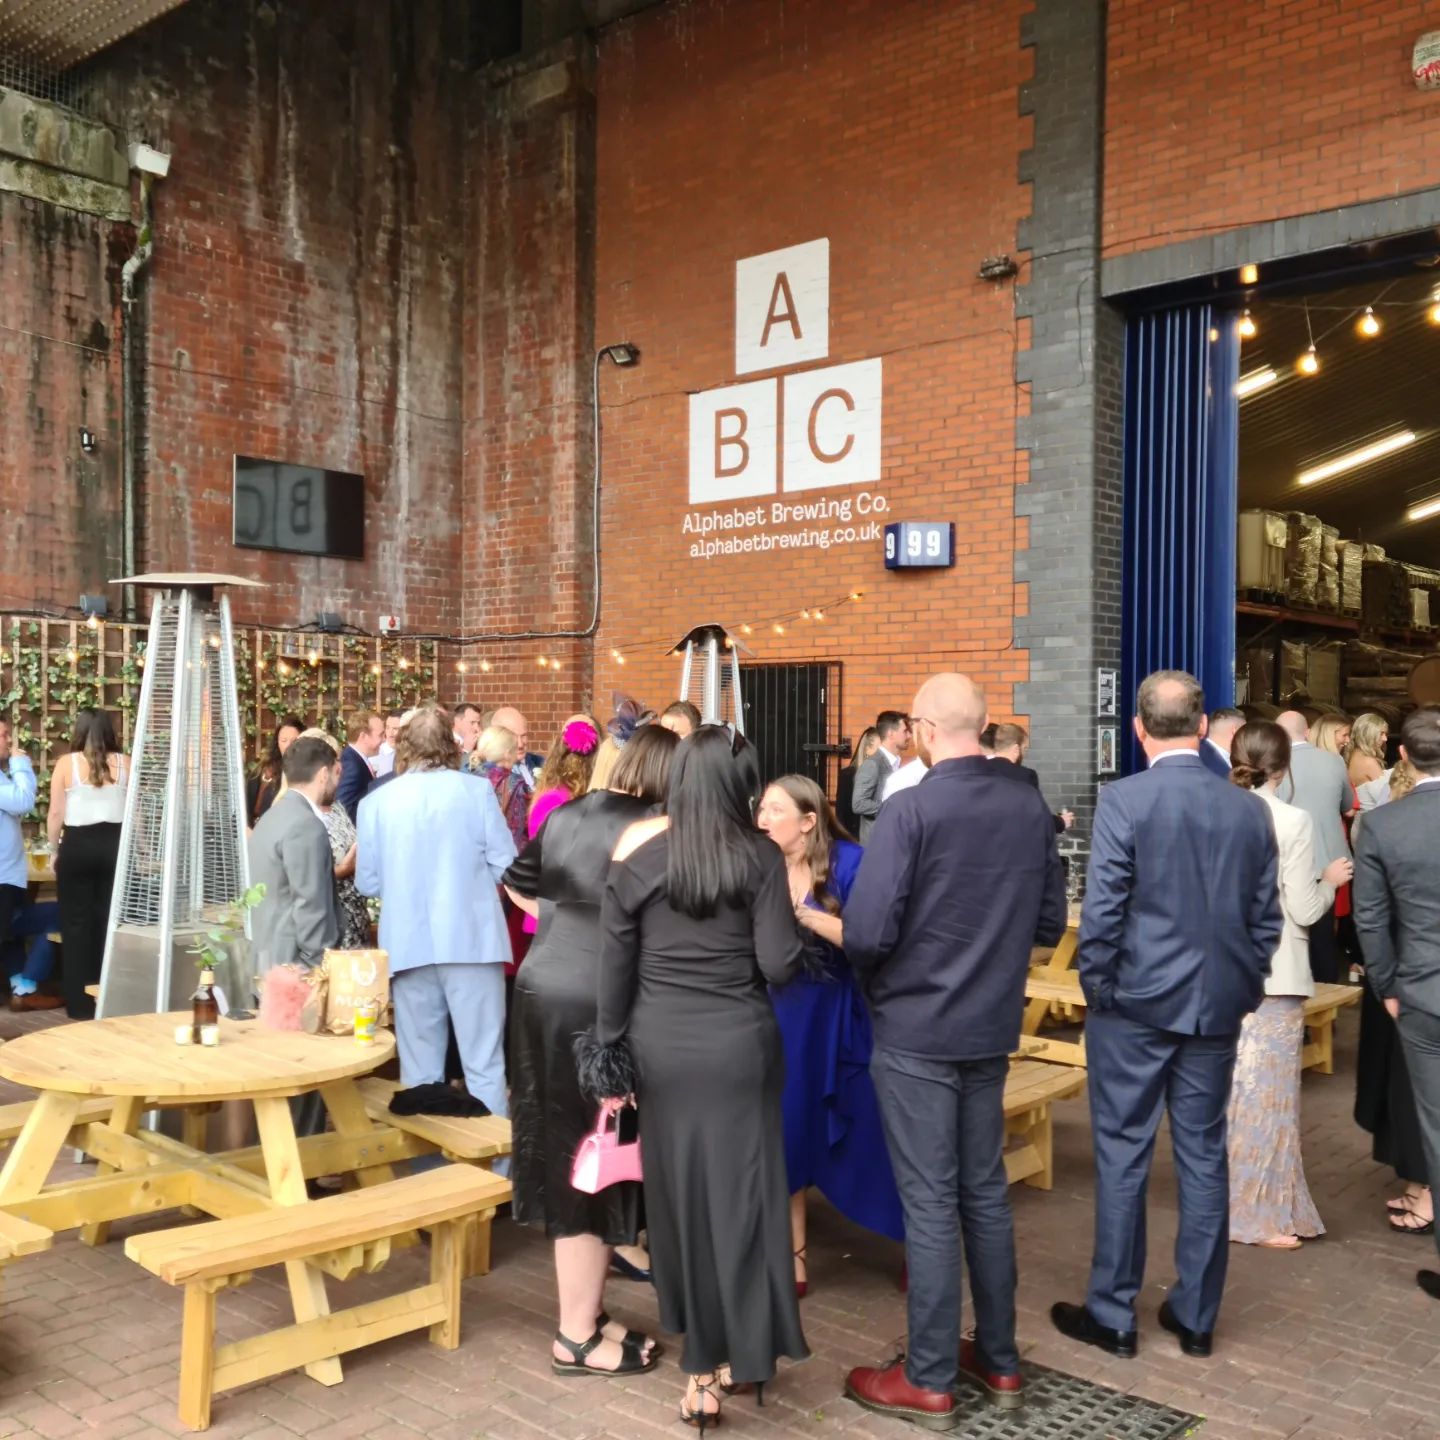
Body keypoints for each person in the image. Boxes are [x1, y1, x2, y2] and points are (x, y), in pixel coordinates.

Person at [842, 674, 1065, 1427]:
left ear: (922, 727)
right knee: (982, 1192)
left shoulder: (911, 809)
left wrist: (887, 979)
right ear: (984, 724)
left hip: (916, 1026)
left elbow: (868, 932)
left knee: (932, 1200)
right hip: (989, 1023)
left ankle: (930, 1373)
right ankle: (998, 1359)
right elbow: (1047, 922)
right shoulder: (1028, 806)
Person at [580, 726, 808, 1427]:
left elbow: (611, 976)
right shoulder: (761, 857)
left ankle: (702, 1369)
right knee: (746, 1201)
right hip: (740, 1048)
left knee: (681, 1210)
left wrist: (608, 1054)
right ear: (742, 786)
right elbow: (778, 965)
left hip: (663, 1051)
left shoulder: (637, 856)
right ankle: (746, 1353)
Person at [1052, 671, 1280, 1361]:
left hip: (1135, 1006)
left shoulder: (1125, 799)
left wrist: (1099, 989)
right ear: (1205, 726)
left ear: (1139, 729)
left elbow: (1104, 912)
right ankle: (1196, 1314)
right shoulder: (1248, 808)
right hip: (1214, 1005)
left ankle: (1115, 1312)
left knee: (1122, 1155)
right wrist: (1243, 985)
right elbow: (1264, 917)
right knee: (1203, 1156)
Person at [501, 725, 680, 1377]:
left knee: (580, 1154)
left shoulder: (569, 812)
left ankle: (589, 1312)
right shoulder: (658, 828)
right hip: (600, 1000)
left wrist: (558, 920)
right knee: (590, 1163)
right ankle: (574, 1334)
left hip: (542, 986)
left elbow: (516, 881)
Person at [757, 776, 904, 1301]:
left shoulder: (850, 863)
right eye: (762, 808)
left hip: (840, 1011)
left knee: (868, 1127)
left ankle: (910, 1240)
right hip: (782, 1012)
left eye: (775, 809)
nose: (763, 818)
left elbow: (868, 941)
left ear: (808, 820)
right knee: (788, 1123)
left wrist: (803, 915)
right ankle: (793, 1258)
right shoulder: (760, 863)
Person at [356, 706, 517, 1116]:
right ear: (451, 745)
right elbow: (507, 865)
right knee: (484, 1065)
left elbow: (368, 883)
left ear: (405, 748)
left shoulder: (377, 802)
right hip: (472, 941)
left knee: (420, 1069)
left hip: (409, 945)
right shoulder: (475, 792)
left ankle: (425, 1166)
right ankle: (497, 1171)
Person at [1226, 722, 1351, 1248]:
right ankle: (1256, 1215)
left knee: (1234, 1094)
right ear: (1284, 767)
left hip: (1220, 971)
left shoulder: (1214, 811)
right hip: (1276, 971)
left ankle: (1236, 1206)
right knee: (1271, 1098)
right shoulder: (1292, 820)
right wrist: (1331, 880)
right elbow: (1301, 908)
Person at [1352, 706, 1440, 1303]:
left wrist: (1384, 986)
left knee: (1435, 1123)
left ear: (1402, 757)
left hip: (1422, 994)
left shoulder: (1385, 825)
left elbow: (1371, 919)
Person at [47, 708, 129, 1019]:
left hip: (78, 847)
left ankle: (79, 1003)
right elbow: (138, 814)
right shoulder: (126, 763)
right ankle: (108, 996)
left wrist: (54, 849)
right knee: (110, 923)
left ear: (80, 731)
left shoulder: (67, 764)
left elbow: (56, 814)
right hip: (115, 846)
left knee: (75, 925)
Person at [247, 736, 342, 978]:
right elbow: (310, 903)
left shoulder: (272, 817)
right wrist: (315, 967)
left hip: (267, 961)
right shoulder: (305, 825)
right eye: (336, 773)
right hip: (295, 969)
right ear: (323, 774)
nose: (337, 781)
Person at [1276, 710, 1352, 985]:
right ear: (1307, 732)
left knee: (1291, 937)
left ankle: (1299, 1006)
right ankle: (1327, 1003)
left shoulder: (1276, 763)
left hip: (1290, 858)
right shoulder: (1334, 761)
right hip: (1329, 860)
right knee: (1323, 938)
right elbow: (1347, 805)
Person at [297, 729, 369, 950]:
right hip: (328, 927)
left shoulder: (336, 807)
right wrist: (343, 869)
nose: (340, 766)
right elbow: (300, 876)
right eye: (334, 760)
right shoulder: (300, 812)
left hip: (355, 920)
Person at [0, 719, 38, 1006]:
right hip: (2, 877)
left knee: (8, 937)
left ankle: (20, 986)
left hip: (8, 875)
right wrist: (21, 764)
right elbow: (24, 800)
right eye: (3, 736)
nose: (9, 742)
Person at [989, 722, 1074, 832]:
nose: (1025, 754)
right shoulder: (1025, 776)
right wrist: (1061, 822)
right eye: (1024, 749)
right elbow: (1037, 818)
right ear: (1016, 749)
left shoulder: (977, 770)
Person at [850, 711, 910, 842]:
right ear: (891, 734)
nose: (909, 735)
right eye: (905, 731)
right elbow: (859, 804)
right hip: (876, 845)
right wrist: (893, 808)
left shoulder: (899, 765)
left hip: (895, 842)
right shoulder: (872, 764)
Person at [248, 715, 305, 828]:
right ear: (277, 743)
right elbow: (247, 809)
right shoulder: (265, 771)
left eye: (294, 741)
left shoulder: (308, 773)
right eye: (284, 740)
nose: (289, 745)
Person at [336, 710, 383, 818]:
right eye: (380, 735)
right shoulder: (353, 766)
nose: (383, 740)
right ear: (363, 737)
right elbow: (343, 807)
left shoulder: (355, 759)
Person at [836, 726, 879, 835]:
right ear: (867, 749)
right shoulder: (848, 775)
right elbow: (841, 813)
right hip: (854, 837)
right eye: (880, 749)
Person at [493, 704, 545, 783]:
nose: (520, 744)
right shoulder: (487, 772)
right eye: (514, 737)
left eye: (523, 736)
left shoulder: (542, 764)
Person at [1202, 707, 1246, 779]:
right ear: (1235, 732)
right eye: (1245, 732)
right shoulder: (1211, 767)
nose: (1246, 738)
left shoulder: (1198, 755)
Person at [1348, 712, 1389, 789]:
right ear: (1368, 734)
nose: (1385, 739)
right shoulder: (1369, 761)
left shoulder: (1354, 753)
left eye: (1386, 734)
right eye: (1381, 734)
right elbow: (1387, 795)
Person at [373, 709, 404, 779]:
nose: (390, 733)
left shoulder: (412, 754)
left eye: (395, 729)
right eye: (387, 728)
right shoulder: (374, 753)